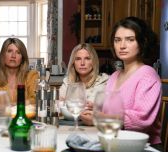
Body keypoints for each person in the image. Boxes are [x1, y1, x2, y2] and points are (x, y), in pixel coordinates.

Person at [106, 16, 161, 145]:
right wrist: (96, 109)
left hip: (144, 147)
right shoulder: (114, 76)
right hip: (116, 141)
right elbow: (109, 111)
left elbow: (142, 119)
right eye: (117, 40)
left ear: (142, 43)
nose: (122, 46)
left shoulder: (148, 75)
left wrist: (101, 117)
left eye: (130, 40)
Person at [59, 43, 109, 125]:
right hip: (70, 124)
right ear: (73, 63)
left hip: (94, 128)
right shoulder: (68, 81)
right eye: (78, 59)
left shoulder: (103, 81)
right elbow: (59, 102)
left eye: (87, 58)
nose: (82, 63)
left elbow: (92, 105)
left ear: (93, 62)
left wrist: (68, 101)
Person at [0, 38, 38, 105]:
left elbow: (35, 100)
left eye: (18, 52)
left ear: (22, 59)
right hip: (1, 115)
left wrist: (14, 105)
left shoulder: (32, 76)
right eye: (9, 51)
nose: (13, 56)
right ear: (3, 55)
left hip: (25, 115)